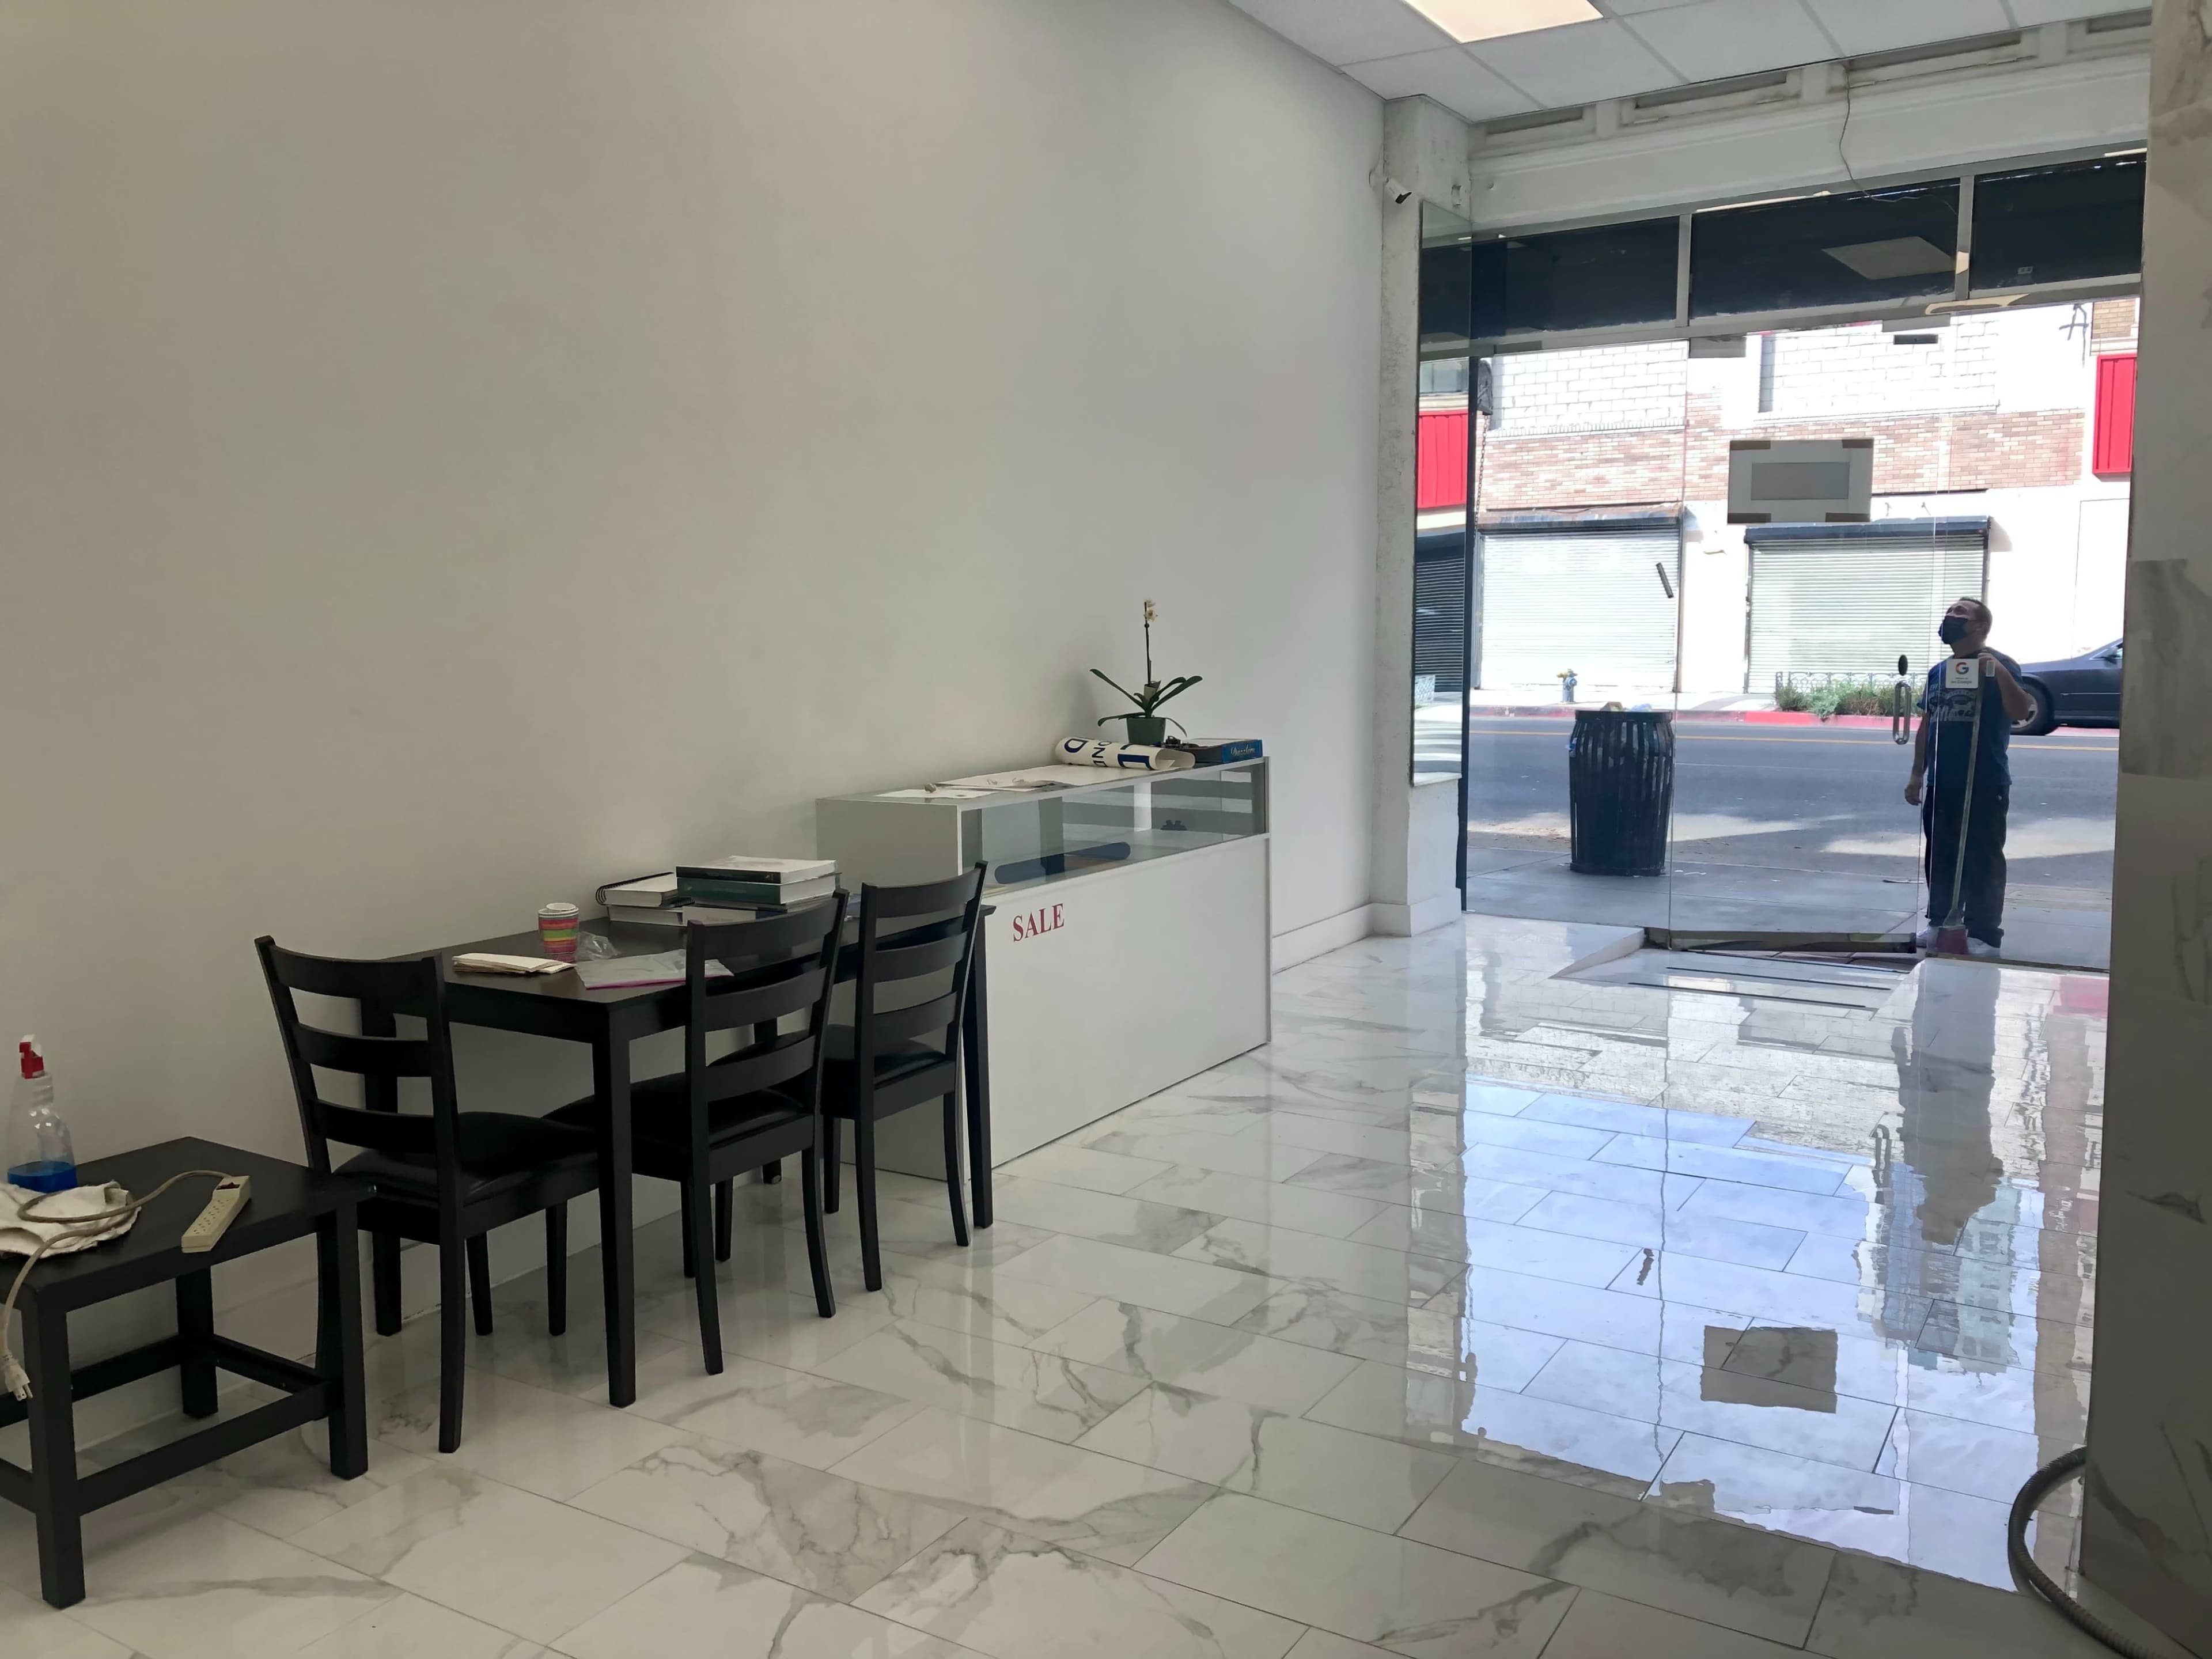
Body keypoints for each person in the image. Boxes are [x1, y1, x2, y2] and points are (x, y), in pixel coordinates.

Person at [1904, 597, 2033, 956]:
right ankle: (1940, 922)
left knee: (1983, 857)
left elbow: (2021, 711)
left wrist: (2000, 673)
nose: (1950, 617)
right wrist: (1918, 775)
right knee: (1940, 854)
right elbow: (1927, 725)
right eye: (1950, 612)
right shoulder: (1940, 671)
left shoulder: (2001, 665)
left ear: (1980, 626)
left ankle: (1983, 932)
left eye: (1960, 613)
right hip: (1943, 783)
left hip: (1985, 780)